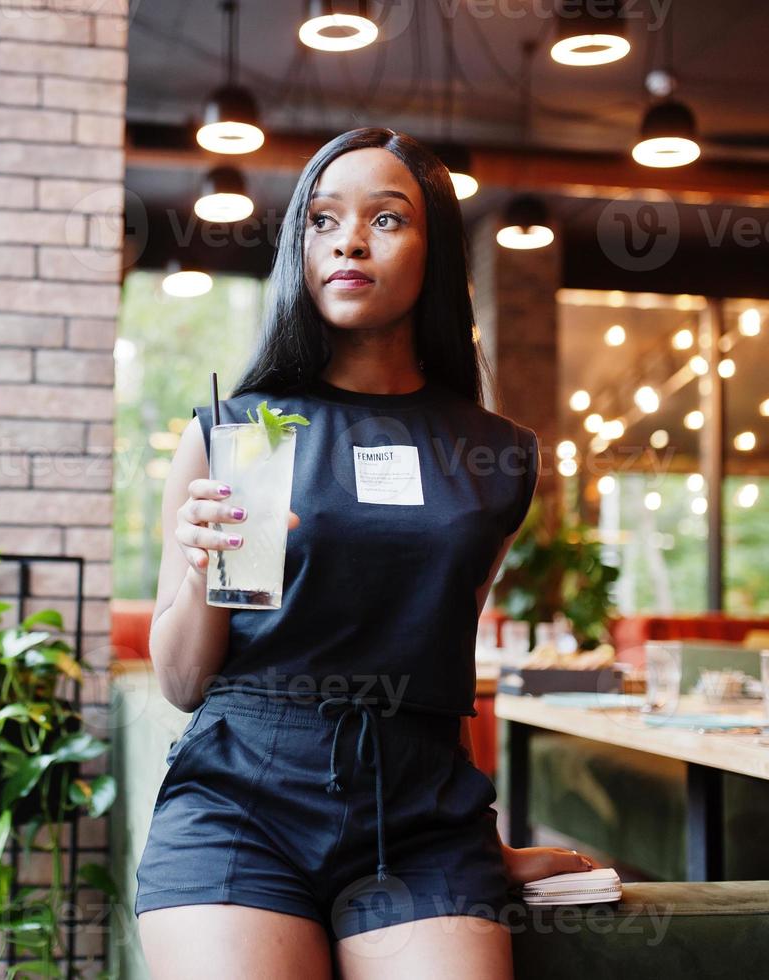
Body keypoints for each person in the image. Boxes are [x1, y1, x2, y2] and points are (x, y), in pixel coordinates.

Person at [133, 127, 599, 979]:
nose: (347, 239)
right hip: (239, 801)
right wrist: (201, 565)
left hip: (419, 817)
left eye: (386, 219)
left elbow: (433, 657)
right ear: (298, 250)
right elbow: (181, 682)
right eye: (320, 220)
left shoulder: (495, 457)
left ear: (437, 248)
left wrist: (473, 841)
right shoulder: (241, 433)